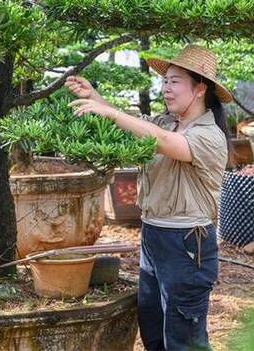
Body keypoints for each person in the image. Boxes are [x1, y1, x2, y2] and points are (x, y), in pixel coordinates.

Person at [66, 44, 230, 351]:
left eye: (175, 81)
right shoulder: (165, 122)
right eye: (165, 81)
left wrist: (110, 111)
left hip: (186, 244)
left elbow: (169, 143)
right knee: (153, 330)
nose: (166, 88)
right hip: (153, 236)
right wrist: (94, 98)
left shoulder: (209, 135)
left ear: (199, 89)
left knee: (184, 339)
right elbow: (137, 128)